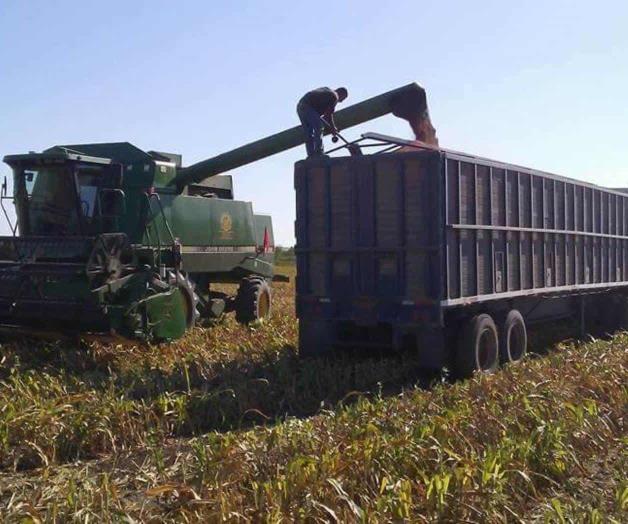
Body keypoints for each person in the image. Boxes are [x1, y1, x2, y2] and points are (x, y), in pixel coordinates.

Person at [297, 87, 348, 156]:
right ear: (341, 94)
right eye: (343, 99)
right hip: (308, 107)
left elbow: (324, 115)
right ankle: (319, 152)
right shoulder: (334, 96)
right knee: (319, 127)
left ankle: (311, 154)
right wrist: (333, 128)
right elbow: (328, 115)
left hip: (300, 106)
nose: (341, 101)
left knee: (308, 132)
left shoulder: (326, 91)